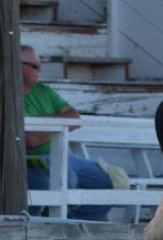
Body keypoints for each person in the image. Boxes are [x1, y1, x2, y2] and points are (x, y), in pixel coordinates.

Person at [20, 45, 114, 221]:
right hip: (34, 158)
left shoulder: (44, 91)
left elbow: (74, 116)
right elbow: (30, 139)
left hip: (61, 154)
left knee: (105, 180)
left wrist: (44, 124)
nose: (39, 70)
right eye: (35, 66)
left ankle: (75, 225)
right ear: (18, 66)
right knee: (67, 178)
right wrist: (59, 123)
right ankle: (55, 225)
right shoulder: (10, 96)